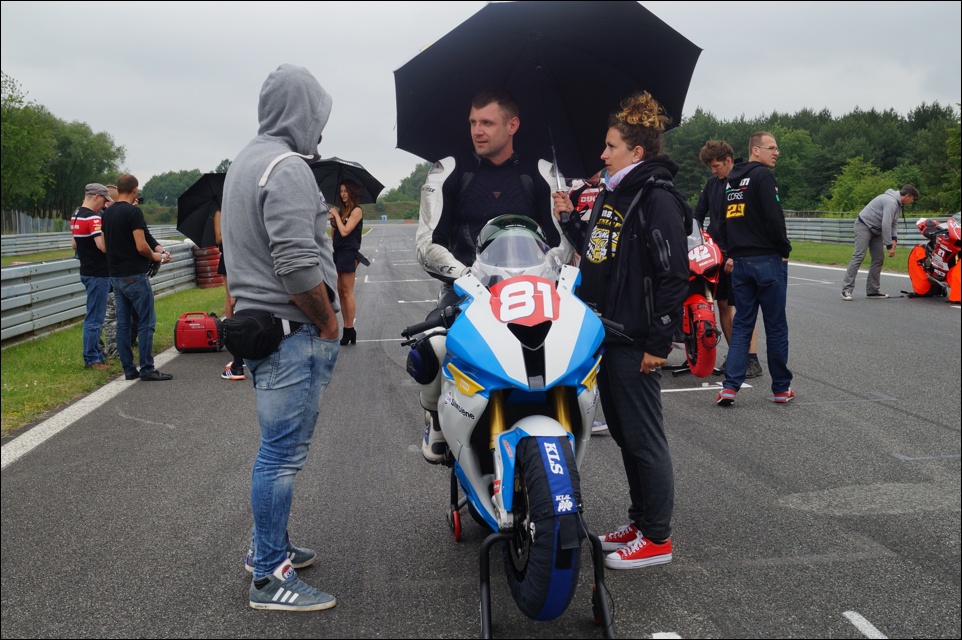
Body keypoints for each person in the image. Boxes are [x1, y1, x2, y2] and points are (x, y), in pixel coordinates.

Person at [552, 91, 690, 570]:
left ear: (637, 151)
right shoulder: (614, 193)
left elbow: (675, 275)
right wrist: (568, 217)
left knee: (644, 439)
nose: (603, 154)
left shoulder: (658, 198)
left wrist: (659, 342)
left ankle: (657, 537)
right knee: (627, 437)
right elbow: (597, 255)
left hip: (636, 338)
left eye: (611, 146)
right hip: (606, 333)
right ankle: (639, 521)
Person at [221, 63, 340, 612]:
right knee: (281, 457)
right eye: (319, 115)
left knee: (277, 451)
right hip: (292, 331)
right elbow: (295, 265)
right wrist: (328, 320)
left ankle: (268, 548)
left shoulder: (244, 162)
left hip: (261, 328)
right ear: (303, 112)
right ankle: (270, 576)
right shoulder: (287, 168)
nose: (321, 127)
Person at [414, 87, 573, 463]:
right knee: (434, 344)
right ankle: (436, 417)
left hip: (534, 287)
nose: (477, 131)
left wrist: (548, 269)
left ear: (512, 125)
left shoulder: (542, 171)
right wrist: (467, 276)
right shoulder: (449, 170)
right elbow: (426, 243)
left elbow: (561, 241)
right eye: (473, 122)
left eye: (487, 122)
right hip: (468, 287)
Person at [715, 132, 794, 406]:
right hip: (767, 260)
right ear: (756, 150)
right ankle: (781, 388)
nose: (776, 152)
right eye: (771, 148)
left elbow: (721, 222)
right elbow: (774, 217)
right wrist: (784, 249)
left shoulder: (731, 180)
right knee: (776, 326)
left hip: (740, 262)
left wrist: (731, 252)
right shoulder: (763, 176)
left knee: (742, 326)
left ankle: (729, 387)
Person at [694, 140, 763, 378]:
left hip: (740, 252)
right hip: (717, 253)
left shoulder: (743, 182)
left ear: (729, 160)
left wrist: (734, 254)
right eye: (711, 167)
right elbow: (697, 215)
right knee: (723, 304)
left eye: (716, 166)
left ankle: (751, 359)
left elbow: (747, 221)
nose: (714, 170)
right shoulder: (712, 183)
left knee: (744, 307)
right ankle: (736, 356)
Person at [102, 174, 173, 382]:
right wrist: (156, 257)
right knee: (146, 322)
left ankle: (129, 369)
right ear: (135, 190)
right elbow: (142, 246)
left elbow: (104, 246)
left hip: (115, 276)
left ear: (117, 189)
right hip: (134, 274)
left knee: (123, 324)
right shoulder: (133, 212)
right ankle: (147, 368)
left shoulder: (107, 213)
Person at [841, 184, 919, 300]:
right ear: (907, 196)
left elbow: (894, 223)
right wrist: (889, 246)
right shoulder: (891, 202)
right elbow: (886, 224)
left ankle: (872, 291)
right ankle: (846, 290)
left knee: (878, 258)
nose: (912, 201)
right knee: (859, 255)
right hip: (864, 225)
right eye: (912, 199)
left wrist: (894, 239)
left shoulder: (898, 204)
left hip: (877, 230)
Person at [70, 183, 113, 370]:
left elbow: (74, 244)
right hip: (98, 273)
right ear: (96, 196)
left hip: (86, 270)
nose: (104, 205)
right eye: (104, 201)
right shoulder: (94, 218)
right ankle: (92, 359)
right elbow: (102, 246)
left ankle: (97, 355)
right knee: (95, 318)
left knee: (95, 316)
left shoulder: (76, 215)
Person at [329, 180, 370, 346]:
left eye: (345, 191)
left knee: (347, 292)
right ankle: (347, 329)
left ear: (352, 192)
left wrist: (337, 216)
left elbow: (345, 231)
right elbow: (335, 235)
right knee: (340, 291)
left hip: (349, 253)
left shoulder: (356, 211)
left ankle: (349, 328)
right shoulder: (343, 211)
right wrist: (334, 221)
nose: (343, 194)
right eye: (341, 191)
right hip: (339, 252)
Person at [212, 208, 245, 380]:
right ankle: (232, 334)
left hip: (244, 254)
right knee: (231, 298)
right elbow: (218, 239)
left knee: (243, 298)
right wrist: (233, 232)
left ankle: (242, 350)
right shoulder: (220, 212)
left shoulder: (242, 207)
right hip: (229, 255)